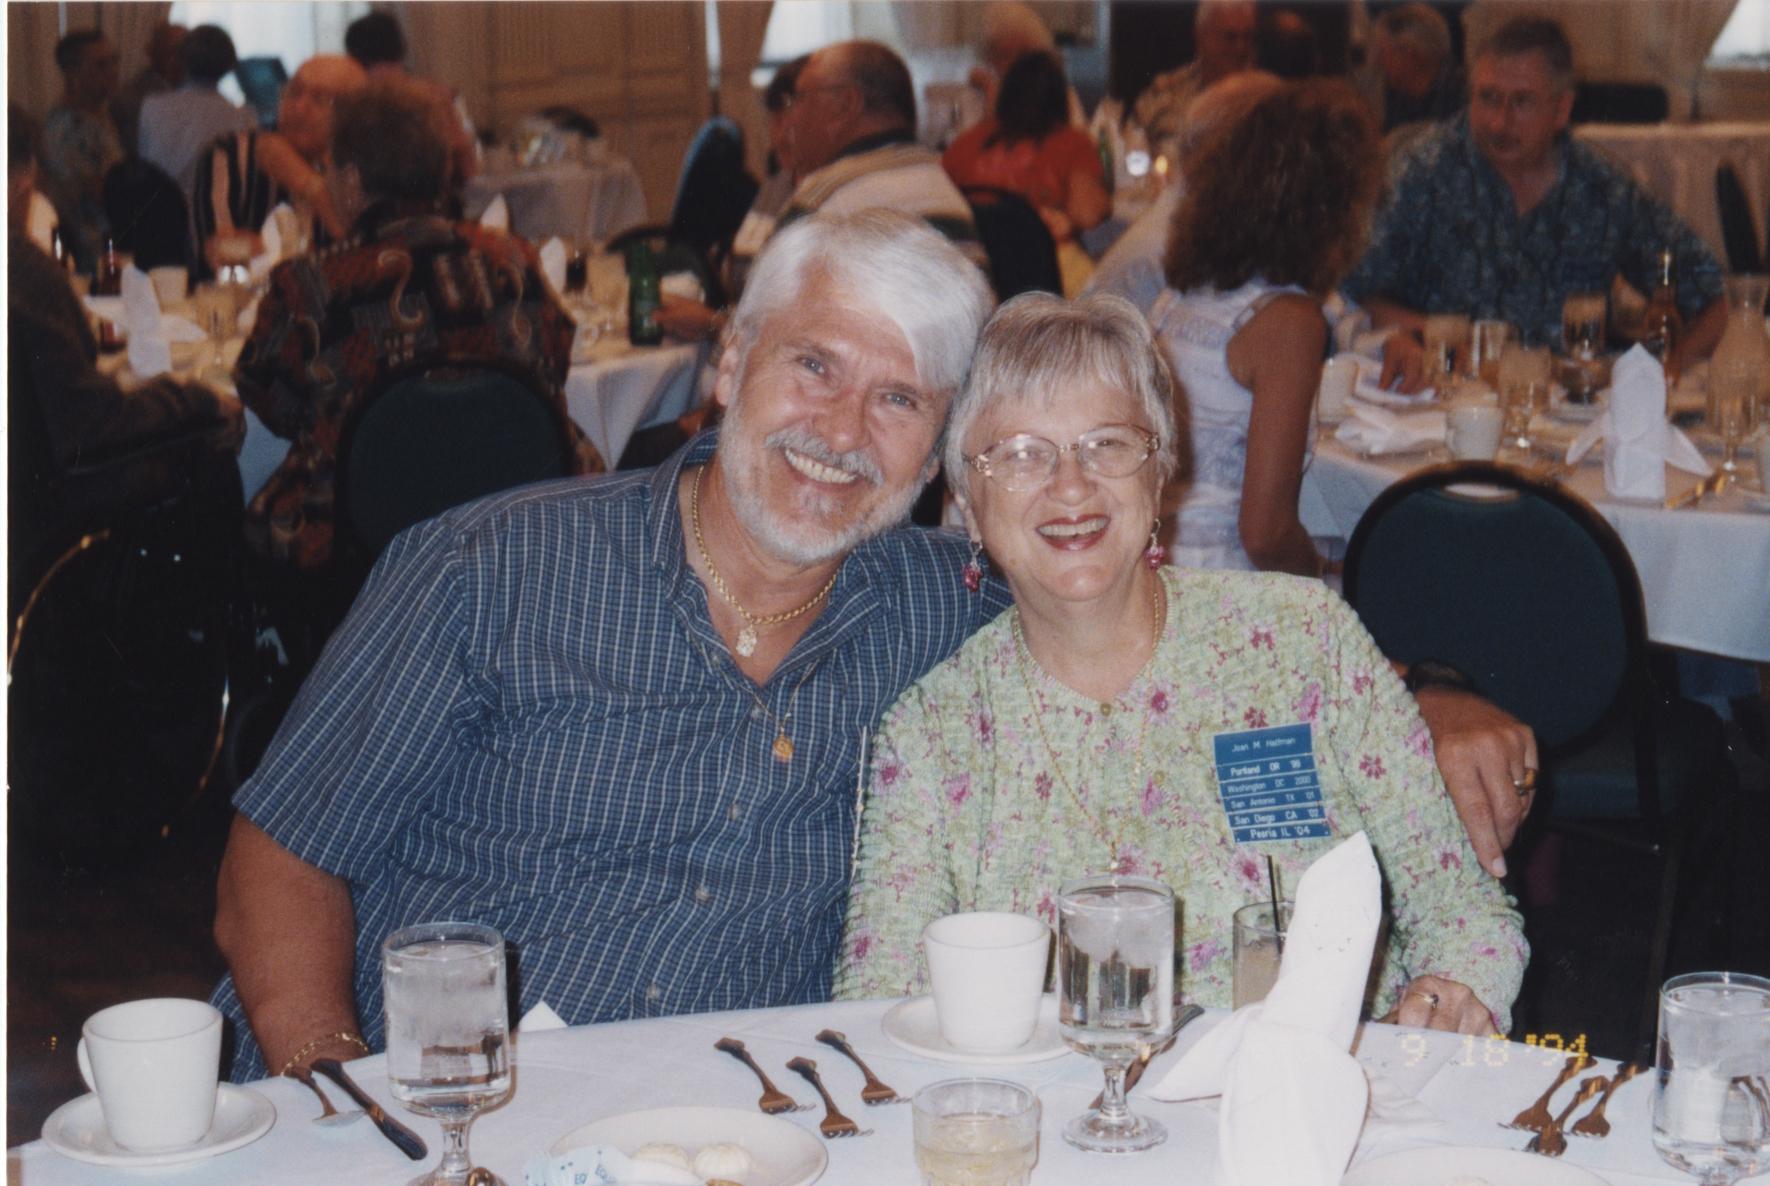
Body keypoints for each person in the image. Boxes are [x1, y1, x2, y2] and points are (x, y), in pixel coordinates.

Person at [212, 209, 1535, 1082]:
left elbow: (1125, 603)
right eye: (814, 367)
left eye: (898, 396)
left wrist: (1432, 698)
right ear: (730, 363)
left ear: (935, 455)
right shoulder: (487, 571)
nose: (842, 431)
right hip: (427, 1095)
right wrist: (345, 1099)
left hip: (730, 1127)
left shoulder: (936, 606)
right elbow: (277, 861)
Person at [834, 292, 1526, 1035]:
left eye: (1107, 444)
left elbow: (1465, 917)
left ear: (1160, 471)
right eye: (1022, 454)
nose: (1071, 485)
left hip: (1312, 1089)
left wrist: (1446, 999)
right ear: (968, 505)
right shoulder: (933, 736)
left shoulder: (1303, 642)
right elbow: (881, 1008)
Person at [232, 78, 600, 573]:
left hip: (361, 541)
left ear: (352, 180)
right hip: (519, 525)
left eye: (330, 168)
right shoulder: (511, 259)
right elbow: (554, 363)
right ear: (441, 169)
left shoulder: (309, 285)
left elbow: (269, 402)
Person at [1341, 17, 1726, 391]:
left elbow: (1716, 299)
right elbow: (1350, 295)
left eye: (1521, 102)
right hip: (1442, 401)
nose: (1499, 122)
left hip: (1571, 409)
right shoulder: (1423, 174)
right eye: (1488, 98)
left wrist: (1662, 376)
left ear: (1561, 109)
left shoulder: (1601, 189)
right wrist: (1430, 332)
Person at [1152, 79, 1381, 576]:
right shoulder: (1287, 323)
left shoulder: (1184, 294)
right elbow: (1265, 534)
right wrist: (1321, 578)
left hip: (1158, 566)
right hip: (1220, 586)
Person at [8, 104, 242, 573]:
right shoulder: (23, 273)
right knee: (214, 446)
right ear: (23, 181)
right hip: (40, 526)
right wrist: (194, 399)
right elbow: (91, 429)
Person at [655, 40, 983, 341]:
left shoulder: (825, 196)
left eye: (798, 99)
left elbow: (763, 341)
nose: (791, 120)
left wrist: (712, 326)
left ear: (845, 105)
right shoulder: (939, 178)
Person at [942, 50, 1109, 296]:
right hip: (1037, 275)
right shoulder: (1072, 144)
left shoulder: (965, 143)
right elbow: (1087, 215)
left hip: (972, 273)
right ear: (1061, 98)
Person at [190, 54, 367, 275]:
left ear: (354, 116)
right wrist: (307, 254)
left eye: (320, 99)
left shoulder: (360, 168)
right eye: (294, 92)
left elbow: (365, 257)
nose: (299, 108)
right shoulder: (233, 154)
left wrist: (311, 186)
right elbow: (220, 252)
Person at [343, 10, 477, 187]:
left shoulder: (358, 103)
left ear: (352, 57)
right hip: (441, 197)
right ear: (400, 49)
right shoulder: (437, 95)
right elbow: (469, 169)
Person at [137, 25, 255, 204]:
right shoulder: (243, 118)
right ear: (230, 64)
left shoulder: (151, 107)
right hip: (212, 214)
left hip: (159, 211)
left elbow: (145, 169)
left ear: (182, 59)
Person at [40, 30, 124, 272]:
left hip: (111, 242)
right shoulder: (67, 125)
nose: (112, 71)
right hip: (87, 253)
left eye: (114, 61)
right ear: (72, 73)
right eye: (100, 65)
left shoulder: (101, 115)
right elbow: (95, 192)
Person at [1131, 0, 1258, 152]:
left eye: (1247, 37)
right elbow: (1132, 150)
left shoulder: (1267, 99)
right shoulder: (1165, 92)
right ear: (1201, 37)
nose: (1240, 48)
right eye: (1230, 37)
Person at [1368, 3, 1466, 137]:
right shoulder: (1397, 94)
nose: (1377, 62)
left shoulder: (1462, 93)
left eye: (1383, 53)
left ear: (1409, 53)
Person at [111, 22, 186, 154]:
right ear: (151, 51)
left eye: (184, 53)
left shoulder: (195, 91)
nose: (180, 59)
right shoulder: (131, 97)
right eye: (171, 51)